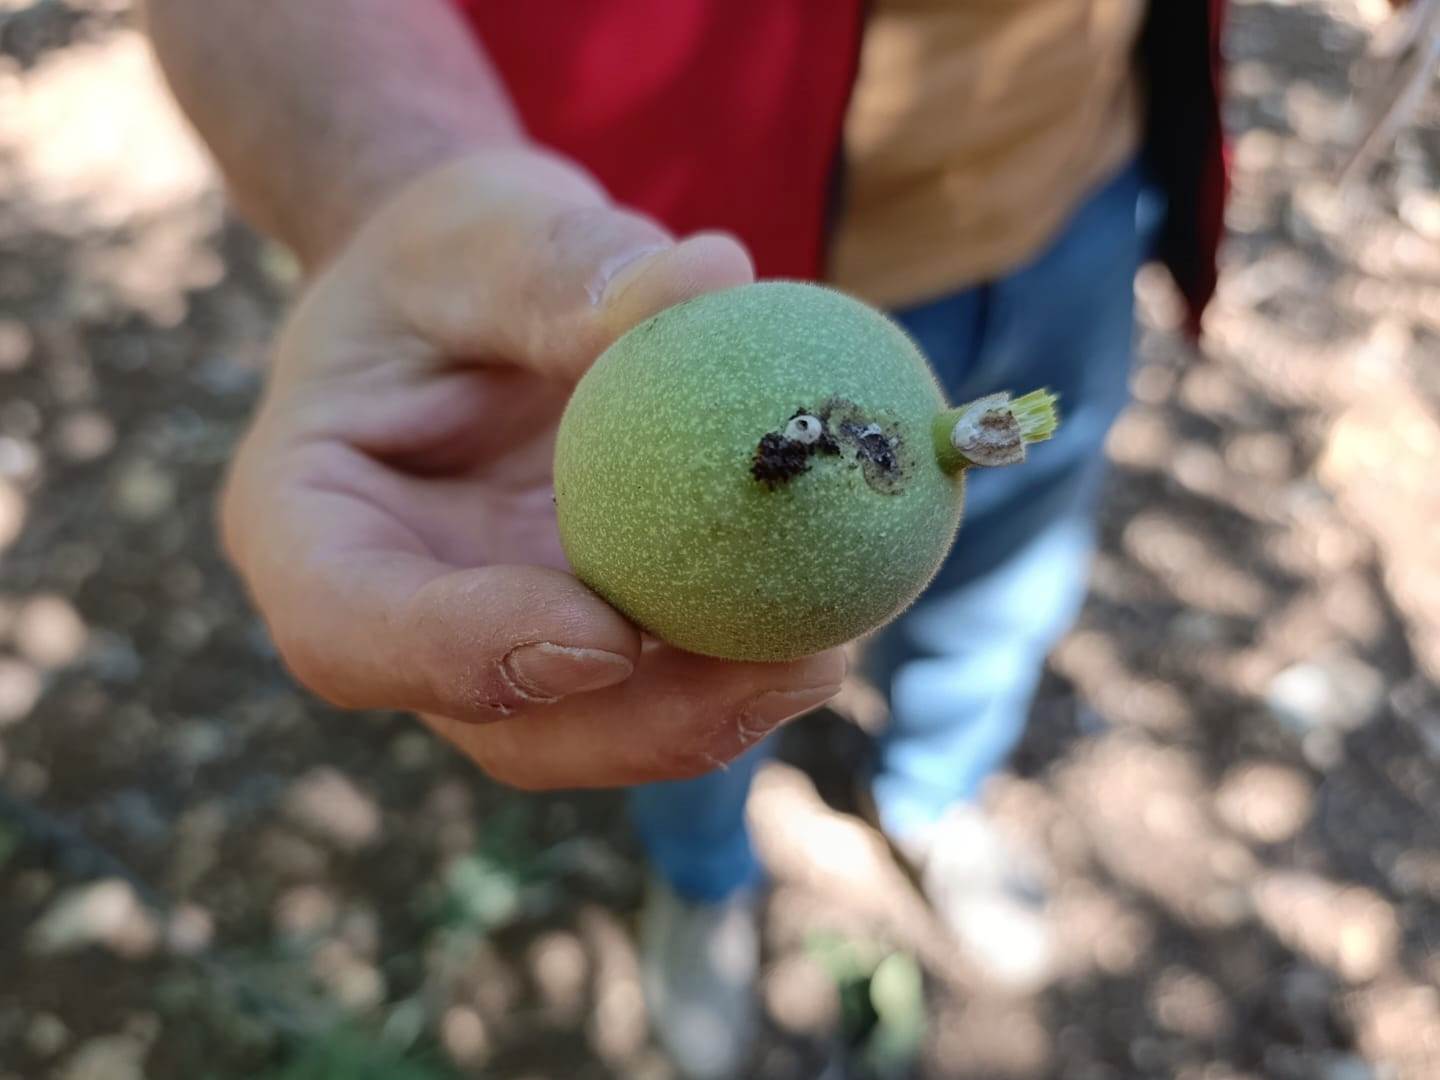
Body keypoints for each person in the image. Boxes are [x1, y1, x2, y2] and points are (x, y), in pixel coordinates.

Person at [141, 2, 1227, 1076]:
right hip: (677, 223)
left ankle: (932, 796)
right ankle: (705, 878)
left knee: (1000, 594)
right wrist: (400, 188)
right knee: (684, 699)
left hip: (1079, 196)